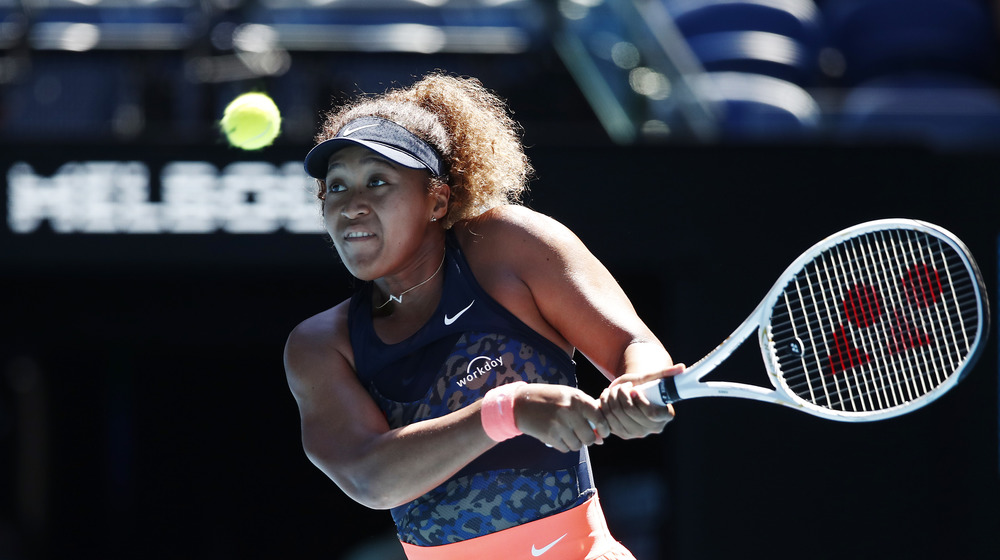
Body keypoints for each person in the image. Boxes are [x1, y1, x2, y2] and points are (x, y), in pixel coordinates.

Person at [284, 72, 682, 560]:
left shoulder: (509, 246)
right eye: (337, 187)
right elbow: (370, 478)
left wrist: (636, 386)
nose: (352, 206)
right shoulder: (320, 344)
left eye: (378, 180)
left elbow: (633, 347)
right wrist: (508, 409)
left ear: (437, 199)